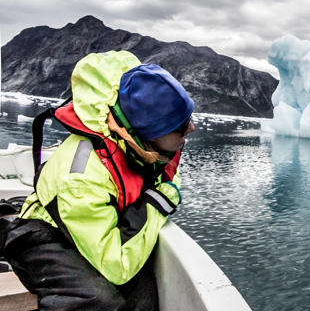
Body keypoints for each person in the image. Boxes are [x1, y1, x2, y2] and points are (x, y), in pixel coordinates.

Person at [1, 51, 194, 310]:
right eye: (181, 125)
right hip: (41, 235)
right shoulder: (83, 178)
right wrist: (161, 199)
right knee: (98, 302)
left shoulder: (143, 145)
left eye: (189, 119)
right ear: (146, 133)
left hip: (92, 224)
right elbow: (119, 266)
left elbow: (165, 174)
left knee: (144, 297)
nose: (191, 128)